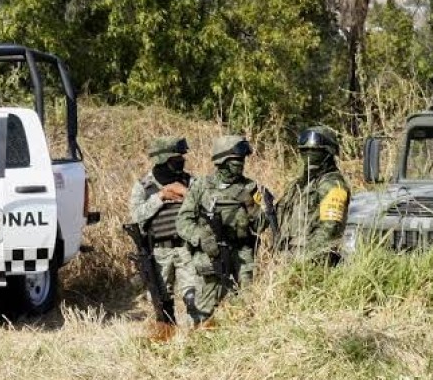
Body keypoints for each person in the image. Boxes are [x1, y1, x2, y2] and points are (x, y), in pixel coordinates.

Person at [176, 135, 266, 326]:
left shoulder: (250, 188)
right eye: (236, 161)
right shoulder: (201, 186)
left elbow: (260, 226)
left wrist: (254, 206)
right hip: (211, 257)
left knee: (246, 310)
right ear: (222, 161)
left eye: (242, 160)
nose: (241, 164)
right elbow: (183, 221)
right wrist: (200, 237)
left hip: (242, 257)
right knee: (201, 314)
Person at [129, 137, 199, 341]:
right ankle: (165, 341)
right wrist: (160, 197)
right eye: (176, 159)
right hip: (158, 251)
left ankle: (199, 340)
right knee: (161, 302)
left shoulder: (191, 182)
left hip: (186, 248)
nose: (181, 162)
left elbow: (206, 208)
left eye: (181, 159)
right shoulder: (144, 186)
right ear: (163, 160)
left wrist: (186, 194)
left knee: (193, 296)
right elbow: (135, 218)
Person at [276, 126, 350, 263]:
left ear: (328, 153)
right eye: (305, 151)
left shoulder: (333, 185)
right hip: (288, 259)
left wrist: (303, 260)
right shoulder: (298, 185)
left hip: (315, 263)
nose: (309, 156)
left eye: (315, 152)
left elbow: (330, 229)